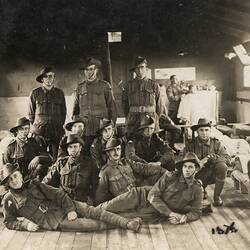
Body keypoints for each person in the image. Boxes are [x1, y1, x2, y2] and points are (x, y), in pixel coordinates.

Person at [1, 163, 142, 232]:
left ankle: (128, 223)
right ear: (7, 184)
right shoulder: (8, 200)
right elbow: (9, 222)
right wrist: (25, 225)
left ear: (20, 174)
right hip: (55, 221)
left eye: (15, 176)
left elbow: (58, 193)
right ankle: (127, 220)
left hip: (66, 205)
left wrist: (70, 209)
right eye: (10, 180)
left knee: (94, 211)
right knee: (92, 225)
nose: (14, 180)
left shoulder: (34, 184)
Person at [98, 152, 203, 224]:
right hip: (140, 197)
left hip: (154, 212)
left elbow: (196, 212)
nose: (187, 170)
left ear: (196, 169)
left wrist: (184, 218)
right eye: (185, 166)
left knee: (113, 217)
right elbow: (153, 195)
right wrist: (171, 213)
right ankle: (83, 210)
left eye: (190, 167)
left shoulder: (197, 189)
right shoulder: (170, 176)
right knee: (104, 209)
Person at [95, 138, 166, 205]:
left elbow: (144, 168)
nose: (116, 152)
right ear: (108, 153)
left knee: (161, 177)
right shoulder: (105, 172)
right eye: (113, 150)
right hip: (127, 201)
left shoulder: (126, 162)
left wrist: (164, 171)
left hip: (139, 192)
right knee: (157, 194)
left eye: (118, 149)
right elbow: (100, 196)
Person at [185, 118, 231, 206]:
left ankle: (217, 197)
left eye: (207, 130)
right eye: (201, 130)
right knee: (192, 200)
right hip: (196, 174)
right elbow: (183, 162)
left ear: (210, 131)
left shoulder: (216, 143)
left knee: (222, 167)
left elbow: (228, 159)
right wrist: (200, 162)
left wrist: (215, 159)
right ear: (197, 132)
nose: (204, 133)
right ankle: (201, 190)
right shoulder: (190, 145)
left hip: (212, 174)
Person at [72, 57, 117, 148]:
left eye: (91, 69)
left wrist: (111, 128)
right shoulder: (80, 88)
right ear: (84, 72)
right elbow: (75, 110)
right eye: (87, 70)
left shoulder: (104, 86)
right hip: (85, 130)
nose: (89, 72)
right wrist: (77, 128)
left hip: (100, 128)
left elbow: (112, 108)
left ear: (96, 70)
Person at [43, 134, 98, 204]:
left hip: (82, 202)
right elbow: (48, 180)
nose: (73, 150)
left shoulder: (90, 164)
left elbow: (95, 186)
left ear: (80, 147)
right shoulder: (61, 163)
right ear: (67, 149)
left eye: (75, 147)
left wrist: (90, 200)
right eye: (70, 147)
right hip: (63, 201)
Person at [28, 66, 66, 161]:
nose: (49, 79)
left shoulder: (59, 93)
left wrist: (57, 124)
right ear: (42, 79)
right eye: (46, 77)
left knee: (56, 159)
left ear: (54, 78)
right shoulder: (35, 93)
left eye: (51, 76)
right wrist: (37, 128)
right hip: (40, 133)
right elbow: (31, 114)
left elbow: (63, 113)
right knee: (40, 159)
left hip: (56, 132)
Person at [122, 56, 164, 138]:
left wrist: (154, 119)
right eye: (137, 68)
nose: (140, 70)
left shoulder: (153, 85)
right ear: (134, 70)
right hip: (133, 120)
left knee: (150, 145)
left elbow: (159, 106)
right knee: (133, 144)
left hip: (150, 119)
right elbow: (124, 105)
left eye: (142, 67)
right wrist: (130, 116)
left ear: (146, 68)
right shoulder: (128, 85)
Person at [2, 117, 52, 181]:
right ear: (17, 131)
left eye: (27, 128)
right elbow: (6, 170)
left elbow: (49, 159)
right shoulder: (10, 148)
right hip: (17, 180)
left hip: (32, 178)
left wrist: (38, 158)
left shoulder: (33, 143)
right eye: (21, 129)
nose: (24, 131)